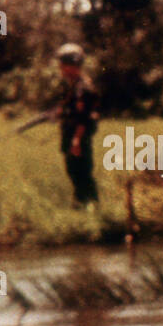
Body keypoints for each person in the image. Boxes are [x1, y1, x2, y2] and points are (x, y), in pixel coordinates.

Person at [55, 43, 99, 206]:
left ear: (72, 64)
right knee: (73, 171)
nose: (60, 67)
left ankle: (90, 206)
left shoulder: (83, 88)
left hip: (78, 136)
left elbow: (84, 117)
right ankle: (81, 204)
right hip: (71, 133)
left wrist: (76, 140)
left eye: (63, 64)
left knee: (82, 173)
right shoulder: (72, 86)